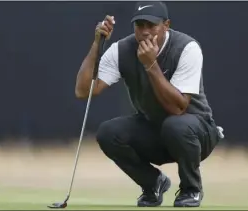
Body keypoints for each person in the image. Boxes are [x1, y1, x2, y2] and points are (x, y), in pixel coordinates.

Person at [75, 1, 224, 208]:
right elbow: (84, 91)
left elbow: (178, 108)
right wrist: (97, 43)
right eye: (139, 25)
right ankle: (153, 184)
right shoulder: (123, 50)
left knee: (175, 125)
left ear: (166, 25)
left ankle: (191, 189)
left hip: (197, 134)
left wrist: (151, 65)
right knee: (108, 133)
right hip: (156, 130)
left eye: (151, 26)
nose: (145, 32)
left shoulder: (187, 48)